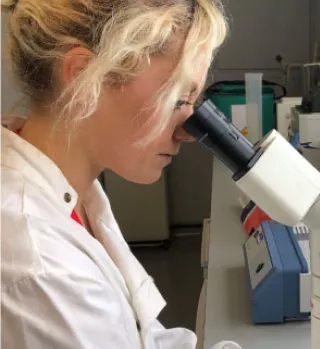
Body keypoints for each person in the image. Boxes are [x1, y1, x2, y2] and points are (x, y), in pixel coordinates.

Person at [0, 0, 235, 348]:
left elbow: (138, 336)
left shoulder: (74, 193)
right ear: (82, 78)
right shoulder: (42, 268)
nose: (188, 131)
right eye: (175, 100)